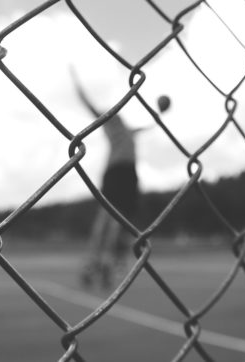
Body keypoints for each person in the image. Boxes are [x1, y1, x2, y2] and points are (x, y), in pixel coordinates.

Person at [71, 73, 170, 288]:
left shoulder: (128, 130)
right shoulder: (109, 124)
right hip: (115, 174)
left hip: (129, 176)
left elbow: (150, 125)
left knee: (118, 224)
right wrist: (76, 82)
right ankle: (94, 262)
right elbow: (88, 103)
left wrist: (160, 115)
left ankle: (106, 263)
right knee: (105, 221)